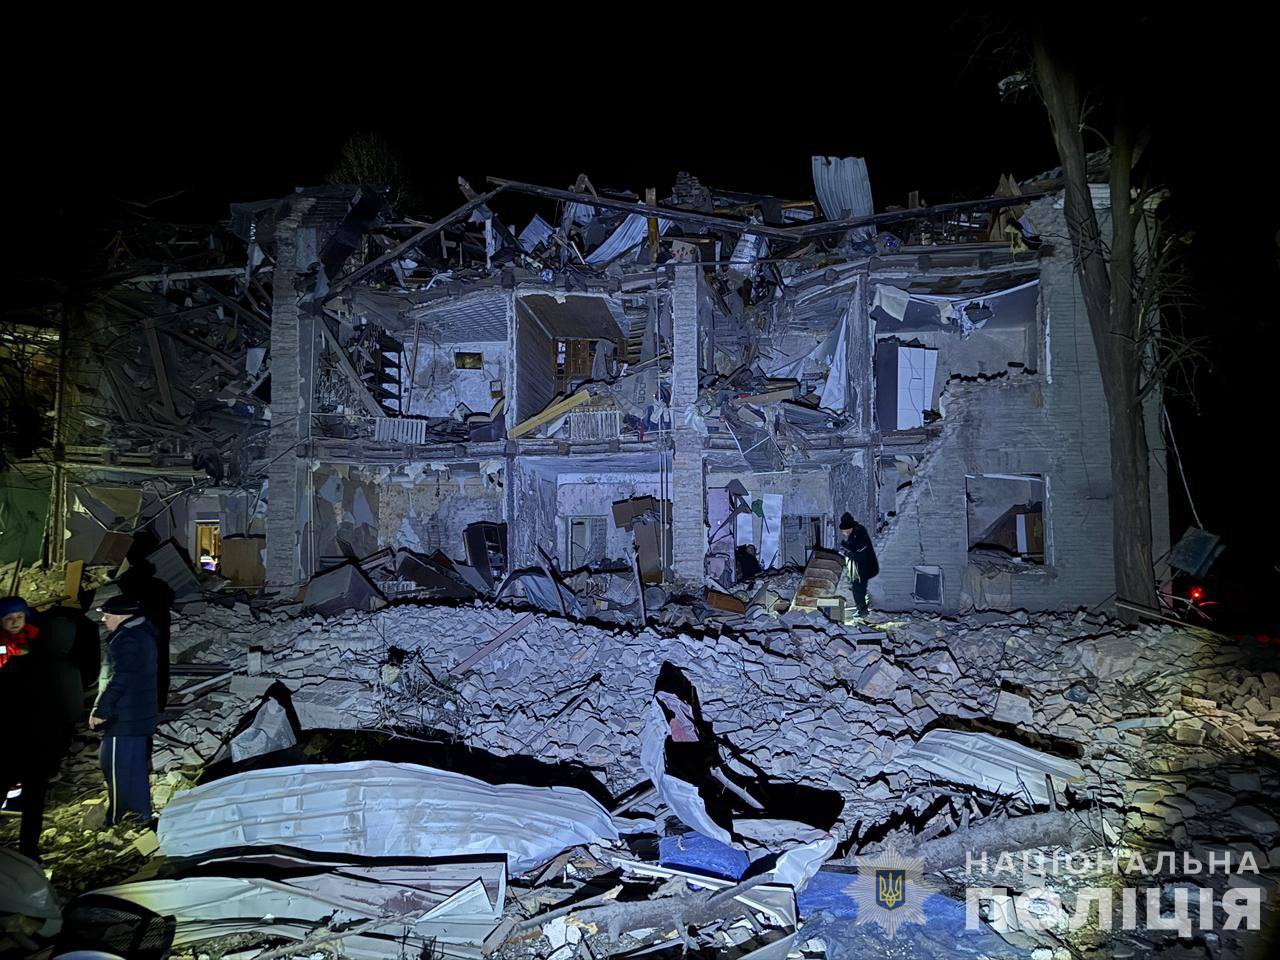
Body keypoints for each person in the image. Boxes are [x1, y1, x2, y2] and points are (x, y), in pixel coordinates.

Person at [0, 597, 73, 860]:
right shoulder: (4, 651)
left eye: (19, 617)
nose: (15, 623)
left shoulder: (39, 647)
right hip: (8, 736)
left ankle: (29, 850)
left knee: (34, 799)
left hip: (36, 738)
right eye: (9, 619)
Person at [89, 595, 158, 826]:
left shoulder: (129, 639)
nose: (103, 619)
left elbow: (121, 678)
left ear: (120, 616)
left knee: (118, 768)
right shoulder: (139, 634)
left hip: (125, 717)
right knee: (131, 766)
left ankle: (120, 817)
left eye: (106, 615)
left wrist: (102, 709)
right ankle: (140, 814)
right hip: (134, 714)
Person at [116, 535, 174, 712]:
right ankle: (157, 704)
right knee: (159, 667)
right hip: (157, 631)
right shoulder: (159, 586)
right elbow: (170, 598)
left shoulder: (127, 584)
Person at [837, 512, 880, 618]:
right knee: (857, 588)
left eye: (845, 531)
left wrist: (846, 551)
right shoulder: (857, 532)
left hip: (864, 566)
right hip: (859, 566)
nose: (844, 533)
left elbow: (858, 552)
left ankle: (862, 611)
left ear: (849, 528)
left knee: (858, 588)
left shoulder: (858, 534)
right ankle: (861, 609)